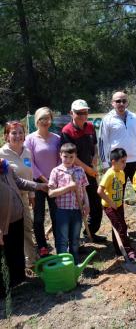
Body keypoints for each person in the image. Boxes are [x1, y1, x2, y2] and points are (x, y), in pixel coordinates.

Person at [0, 158, 46, 297]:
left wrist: (39, 186)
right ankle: (4, 289)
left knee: (16, 250)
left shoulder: (5, 167)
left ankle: (19, 279)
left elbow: (19, 182)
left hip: (17, 216)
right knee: (5, 254)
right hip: (3, 224)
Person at [60, 99, 105, 243]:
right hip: (74, 175)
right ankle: (74, 240)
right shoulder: (67, 131)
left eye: (85, 112)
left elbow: (95, 146)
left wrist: (95, 158)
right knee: (77, 207)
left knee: (96, 205)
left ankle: (90, 232)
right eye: (79, 113)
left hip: (90, 172)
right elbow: (72, 156)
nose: (83, 115)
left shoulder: (90, 127)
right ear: (71, 113)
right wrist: (88, 169)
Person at [0, 121, 38, 267]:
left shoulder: (27, 151)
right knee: (10, 232)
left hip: (23, 196)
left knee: (27, 227)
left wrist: (31, 195)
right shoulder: (2, 154)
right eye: (14, 133)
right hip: (6, 200)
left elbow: (29, 175)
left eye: (21, 132)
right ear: (7, 136)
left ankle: (30, 261)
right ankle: (12, 265)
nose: (18, 136)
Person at [25, 107, 60, 257]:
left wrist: (52, 181)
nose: (45, 122)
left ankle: (61, 244)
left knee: (57, 216)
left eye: (48, 118)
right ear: (37, 121)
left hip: (55, 184)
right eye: (42, 119)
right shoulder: (30, 139)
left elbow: (60, 159)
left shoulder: (57, 138)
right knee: (38, 217)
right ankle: (42, 246)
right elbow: (29, 162)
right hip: (38, 183)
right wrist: (44, 181)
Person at [48, 143, 89, 265]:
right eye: (65, 156)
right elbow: (51, 193)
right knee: (63, 240)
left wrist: (87, 204)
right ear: (60, 155)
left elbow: (84, 190)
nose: (68, 160)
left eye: (71, 157)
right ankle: (63, 264)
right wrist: (68, 187)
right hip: (62, 211)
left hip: (77, 210)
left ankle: (74, 263)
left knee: (75, 239)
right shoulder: (56, 171)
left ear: (75, 156)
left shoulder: (79, 170)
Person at [97, 148, 136, 262]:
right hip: (109, 206)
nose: (125, 164)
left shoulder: (121, 173)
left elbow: (121, 188)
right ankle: (128, 250)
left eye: (125, 161)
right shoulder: (109, 174)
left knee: (118, 225)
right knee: (121, 226)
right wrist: (111, 203)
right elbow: (99, 191)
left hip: (119, 205)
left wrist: (120, 202)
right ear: (113, 161)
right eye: (122, 161)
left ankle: (118, 249)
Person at [98, 91, 136, 186]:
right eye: (118, 101)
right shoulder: (107, 119)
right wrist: (106, 164)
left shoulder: (134, 117)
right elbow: (102, 142)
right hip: (117, 162)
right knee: (117, 194)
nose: (121, 103)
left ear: (127, 102)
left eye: (124, 101)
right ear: (112, 103)